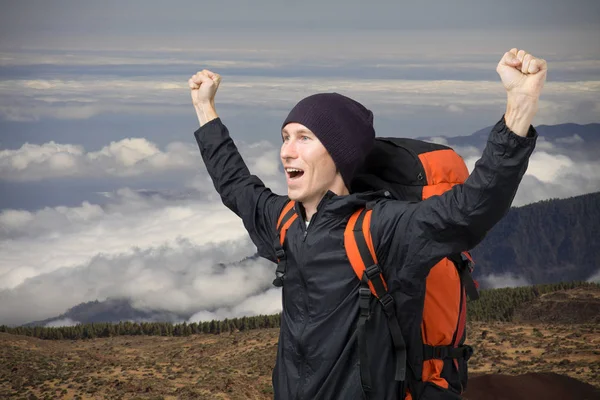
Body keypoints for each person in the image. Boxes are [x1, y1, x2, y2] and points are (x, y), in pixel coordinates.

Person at [188, 48, 546, 400]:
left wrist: (519, 107)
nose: (286, 151)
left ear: (338, 153)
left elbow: (471, 209)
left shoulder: (383, 229)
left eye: (304, 138)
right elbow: (235, 185)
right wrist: (205, 108)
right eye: (285, 137)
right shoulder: (286, 224)